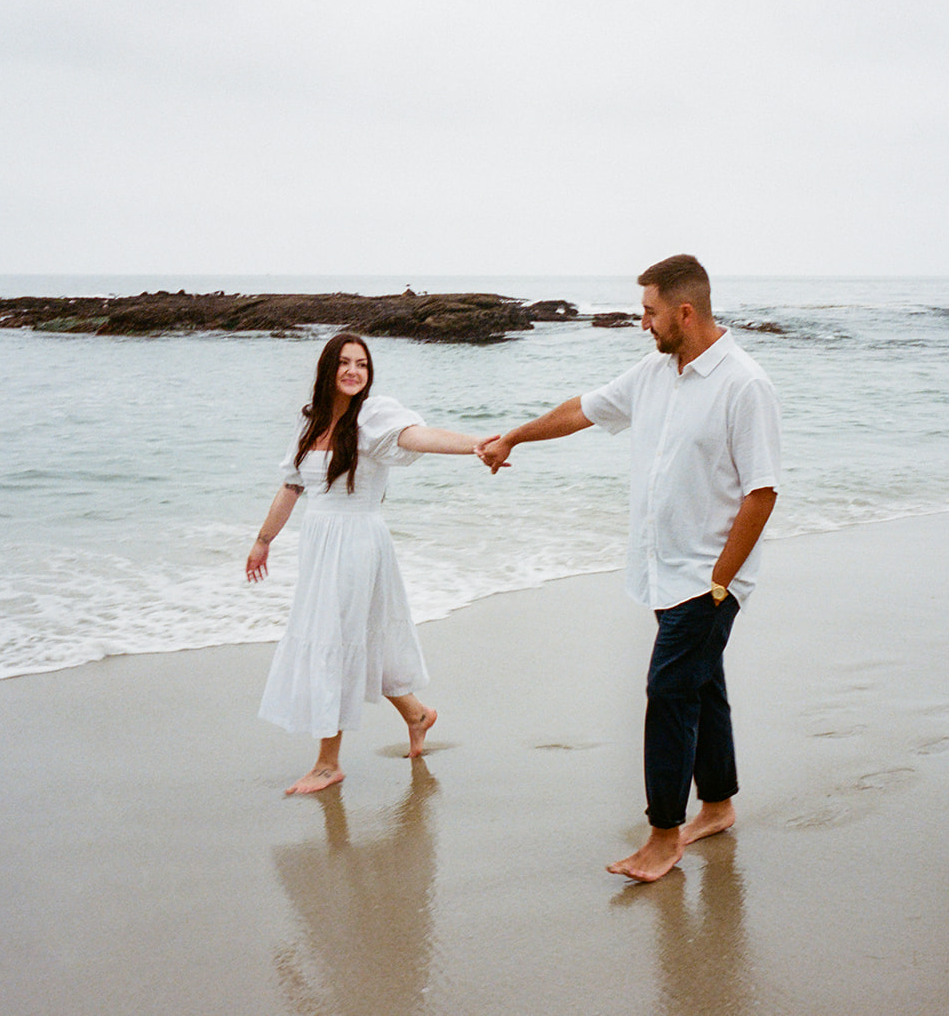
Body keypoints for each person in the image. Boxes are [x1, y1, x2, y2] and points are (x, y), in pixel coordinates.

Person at [477, 255, 781, 882]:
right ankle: (717, 805)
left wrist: (720, 580)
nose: (642, 323)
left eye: (649, 312)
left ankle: (663, 836)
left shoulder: (745, 385)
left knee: (668, 693)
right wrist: (513, 436)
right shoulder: (653, 373)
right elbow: (582, 410)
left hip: (708, 577)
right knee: (701, 684)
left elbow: (762, 491)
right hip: (663, 569)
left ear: (684, 312)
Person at [247, 332, 495, 795]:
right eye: (345, 362)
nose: (353, 371)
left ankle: (327, 764)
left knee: (336, 642)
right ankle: (417, 715)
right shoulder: (310, 422)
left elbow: (416, 436)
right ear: (328, 369)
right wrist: (263, 541)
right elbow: (292, 487)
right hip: (319, 545)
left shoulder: (373, 415)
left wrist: (475, 444)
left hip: (357, 543)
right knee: (356, 637)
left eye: (361, 364)